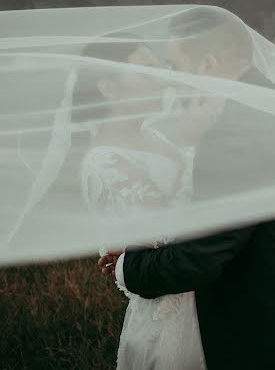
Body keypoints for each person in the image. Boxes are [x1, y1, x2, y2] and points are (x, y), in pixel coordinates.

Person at [99, 8, 275, 370]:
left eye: (177, 67)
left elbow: (198, 260)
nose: (172, 81)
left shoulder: (236, 133)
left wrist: (125, 267)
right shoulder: (272, 101)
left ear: (208, 64)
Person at [76, 34, 206, 369]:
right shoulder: (104, 164)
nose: (162, 80)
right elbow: (168, 237)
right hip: (170, 319)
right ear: (108, 87)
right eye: (146, 72)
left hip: (204, 303)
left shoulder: (156, 137)